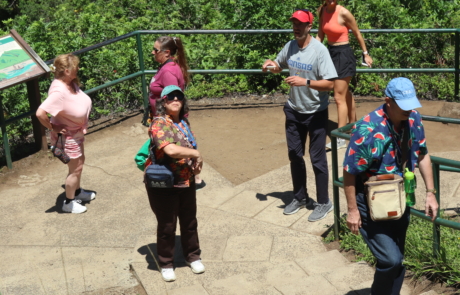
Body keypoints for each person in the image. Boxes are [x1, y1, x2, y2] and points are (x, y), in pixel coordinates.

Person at [342, 77, 438, 295]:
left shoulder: (413, 119)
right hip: (369, 202)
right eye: (404, 105)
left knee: (399, 259)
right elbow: (349, 172)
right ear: (388, 101)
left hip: (399, 197)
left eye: (411, 103)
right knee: (390, 259)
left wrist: (430, 193)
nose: (409, 110)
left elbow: (422, 153)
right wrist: (352, 210)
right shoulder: (367, 129)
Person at [262, 9, 338, 221]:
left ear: (309, 26)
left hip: (316, 113)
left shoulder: (319, 51)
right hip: (293, 110)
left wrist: (305, 82)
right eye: (294, 23)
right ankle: (300, 197)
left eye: (301, 24)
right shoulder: (290, 46)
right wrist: (271, 65)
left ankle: (324, 202)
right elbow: (280, 66)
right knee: (295, 155)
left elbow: (330, 84)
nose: (296, 27)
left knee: (317, 159)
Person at [144, 85, 205, 282]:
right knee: (167, 225)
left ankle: (192, 256)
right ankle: (166, 263)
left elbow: (188, 146)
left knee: (189, 221)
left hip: (185, 180)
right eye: (171, 97)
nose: (176, 99)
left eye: (179, 96)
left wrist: (194, 166)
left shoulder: (184, 122)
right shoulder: (159, 123)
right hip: (164, 183)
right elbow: (170, 150)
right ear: (163, 101)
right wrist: (195, 154)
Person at [36, 53, 96, 214]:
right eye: (76, 66)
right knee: (75, 169)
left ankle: (76, 192)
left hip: (76, 134)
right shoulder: (59, 92)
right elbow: (40, 113)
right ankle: (68, 203)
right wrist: (52, 127)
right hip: (68, 137)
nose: (78, 68)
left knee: (80, 163)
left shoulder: (70, 82)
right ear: (67, 70)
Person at [149, 35, 206, 190]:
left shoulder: (168, 72)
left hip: (169, 123)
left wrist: (169, 123)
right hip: (166, 120)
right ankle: (191, 177)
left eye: (155, 50)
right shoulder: (167, 66)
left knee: (173, 151)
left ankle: (187, 179)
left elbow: (174, 100)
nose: (152, 52)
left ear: (167, 52)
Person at [316, 0, 373, 149]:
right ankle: (353, 125)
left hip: (344, 55)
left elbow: (357, 32)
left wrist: (365, 54)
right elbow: (320, 35)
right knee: (344, 92)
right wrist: (312, 52)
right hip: (330, 54)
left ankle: (339, 138)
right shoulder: (323, 11)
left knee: (338, 96)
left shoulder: (344, 13)